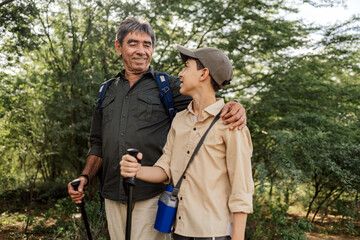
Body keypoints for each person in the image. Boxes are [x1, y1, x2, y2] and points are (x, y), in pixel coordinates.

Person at [68, 17, 247, 240]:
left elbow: (207, 97)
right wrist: (85, 176)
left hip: (151, 196)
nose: (141, 51)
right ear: (118, 47)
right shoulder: (106, 92)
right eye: (133, 43)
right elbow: (98, 143)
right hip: (112, 194)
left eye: (147, 44)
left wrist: (236, 105)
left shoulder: (168, 86)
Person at [120, 46, 254, 240]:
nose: (180, 74)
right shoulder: (180, 120)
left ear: (204, 73)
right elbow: (165, 169)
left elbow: (241, 189)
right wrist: (136, 170)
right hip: (180, 232)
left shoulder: (231, 124)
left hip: (214, 234)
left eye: (186, 67)